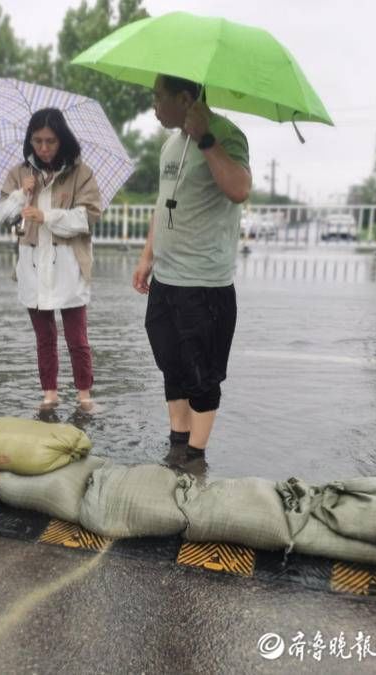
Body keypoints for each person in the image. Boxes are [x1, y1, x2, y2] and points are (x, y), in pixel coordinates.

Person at [132, 74, 251, 456]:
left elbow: (239, 188)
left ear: (185, 99)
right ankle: (178, 441)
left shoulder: (227, 136)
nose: (154, 105)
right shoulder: (171, 145)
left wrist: (206, 138)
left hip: (204, 285)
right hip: (166, 280)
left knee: (202, 374)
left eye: (159, 97)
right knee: (172, 364)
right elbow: (164, 203)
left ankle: (196, 458)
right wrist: (147, 255)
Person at [0, 108, 101, 409]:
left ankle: (84, 394)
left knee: (77, 337)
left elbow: (88, 216)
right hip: (32, 262)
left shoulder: (81, 172)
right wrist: (20, 195)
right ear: (30, 140)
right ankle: (50, 392)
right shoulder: (20, 173)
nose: (43, 148)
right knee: (44, 336)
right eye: (37, 141)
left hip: (69, 263)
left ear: (62, 140)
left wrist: (47, 216)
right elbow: (3, 215)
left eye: (50, 141)